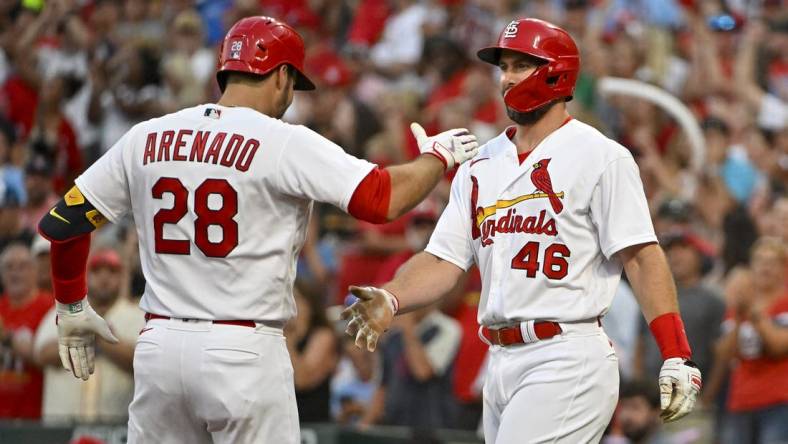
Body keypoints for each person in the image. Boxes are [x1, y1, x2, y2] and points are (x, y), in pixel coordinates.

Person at [36, 16, 478, 444]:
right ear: (282, 76)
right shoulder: (283, 140)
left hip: (159, 348)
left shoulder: (148, 135)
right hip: (241, 348)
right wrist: (435, 158)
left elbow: (65, 222)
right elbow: (383, 199)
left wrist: (71, 306)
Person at [343, 18, 701, 443]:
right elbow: (443, 259)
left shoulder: (601, 156)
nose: (507, 78)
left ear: (556, 71)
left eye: (520, 66)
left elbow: (641, 257)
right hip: (499, 360)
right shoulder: (480, 165)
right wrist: (392, 295)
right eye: (504, 67)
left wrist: (676, 353)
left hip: (566, 352)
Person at [33, 248, 143, 422]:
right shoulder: (63, 311)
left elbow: (143, 362)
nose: (104, 278)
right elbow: (41, 355)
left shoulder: (136, 315)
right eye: (96, 271)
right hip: (60, 428)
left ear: (122, 278)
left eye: (112, 272)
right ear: (85, 276)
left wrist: (100, 337)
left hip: (117, 428)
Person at [0, 243, 53, 419]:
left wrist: (7, 338)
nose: (16, 273)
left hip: (35, 417)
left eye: (23, 266)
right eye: (9, 267)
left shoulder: (50, 308)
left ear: (36, 272)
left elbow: (48, 359)